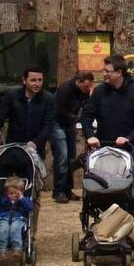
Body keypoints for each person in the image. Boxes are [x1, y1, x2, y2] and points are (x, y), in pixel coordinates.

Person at [82, 56, 134, 206]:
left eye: (107, 71)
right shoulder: (99, 91)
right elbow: (86, 115)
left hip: (129, 147)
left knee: (130, 184)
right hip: (104, 147)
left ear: (119, 72)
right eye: (103, 70)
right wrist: (90, 135)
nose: (104, 74)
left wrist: (129, 137)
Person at [0, 66, 55, 158]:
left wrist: (36, 142)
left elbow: (48, 125)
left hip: (35, 149)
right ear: (24, 80)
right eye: (33, 80)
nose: (37, 84)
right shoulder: (12, 96)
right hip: (13, 147)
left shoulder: (48, 99)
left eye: (40, 80)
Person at [50, 70, 95, 203]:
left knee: (70, 158)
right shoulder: (65, 90)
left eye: (89, 87)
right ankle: (58, 191)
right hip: (58, 123)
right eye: (86, 86)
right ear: (78, 82)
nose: (87, 89)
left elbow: (87, 106)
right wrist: (78, 119)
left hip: (70, 124)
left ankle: (67, 190)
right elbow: (60, 111)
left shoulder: (84, 91)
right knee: (62, 157)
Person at [0, 176, 32, 260]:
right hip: (4, 218)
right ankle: (2, 250)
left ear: (22, 192)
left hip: (19, 218)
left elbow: (30, 208)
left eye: (16, 193)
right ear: (6, 193)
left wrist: (21, 198)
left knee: (15, 228)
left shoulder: (24, 200)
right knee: (3, 229)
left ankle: (17, 249)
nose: (14, 195)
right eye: (11, 193)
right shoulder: (3, 200)